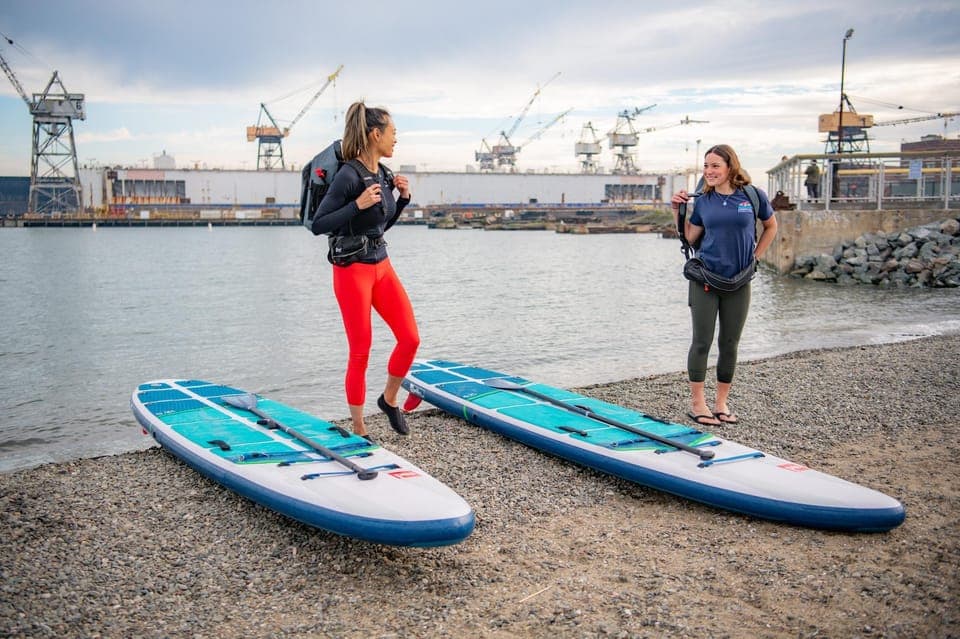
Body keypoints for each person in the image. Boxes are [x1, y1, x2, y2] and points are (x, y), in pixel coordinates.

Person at [310, 101, 418, 439]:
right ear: (375, 134)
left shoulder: (383, 175)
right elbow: (319, 224)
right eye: (392, 133)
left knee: (410, 338)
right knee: (361, 350)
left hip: (382, 266)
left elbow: (379, 226)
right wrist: (356, 204)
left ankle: (388, 400)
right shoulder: (348, 175)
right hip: (352, 271)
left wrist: (402, 200)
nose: (395, 140)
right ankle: (358, 426)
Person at [670, 144, 778, 427]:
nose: (709, 171)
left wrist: (755, 258)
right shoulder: (703, 200)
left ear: (730, 166)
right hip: (706, 278)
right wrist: (676, 210)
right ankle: (698, 404)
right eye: (706, 166)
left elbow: (771, 226)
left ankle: (720, 403)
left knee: (730, 343)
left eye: (715, 165)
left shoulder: (752, 196)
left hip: (740, 281)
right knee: (702, 342)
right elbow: (690, 237)